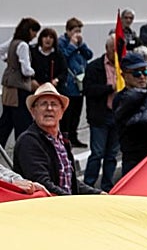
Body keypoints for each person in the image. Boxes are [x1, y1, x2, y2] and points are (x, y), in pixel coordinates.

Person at [14, 83, 102, 195]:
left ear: (61, 112)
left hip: (64, 205)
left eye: (54, 104)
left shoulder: (62, 140)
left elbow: (71, 182)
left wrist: (98, 194)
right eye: (43, 104)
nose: (49, 108)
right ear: (33, 112)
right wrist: (74, 202)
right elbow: (43, 184)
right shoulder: (28, 141)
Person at [82, 35, 122, 191]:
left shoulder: (122, 67)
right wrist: (109, 88)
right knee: (97, 153)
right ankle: (88, 184)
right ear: (107, 49)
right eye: (114, 50)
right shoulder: (94, 67)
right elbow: (88, 90)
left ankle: (107, 185)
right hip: (100, 115)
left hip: (117, 115)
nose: (116, 54)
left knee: (112, 155)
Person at [1, 16, 40, 146]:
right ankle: (22, 149)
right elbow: (26, 70)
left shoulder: (14, 41)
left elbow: (1, 50)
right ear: (29, 30)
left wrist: (9, 60)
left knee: (7, 120)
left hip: (8, 86)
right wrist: (34, 73)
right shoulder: (23, 45)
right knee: (22, 122)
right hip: (19, 88)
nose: (35, 36)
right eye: (34, 32)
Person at [58, 18, 92, 147]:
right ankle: (65, 137)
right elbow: (62, 58)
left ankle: (74, 136)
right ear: (68, 31)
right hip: (68, 83)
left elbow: (89, 55)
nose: (77, 34)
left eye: (79, 31)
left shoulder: (80, 43)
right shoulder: (62, 43)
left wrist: (81, 45)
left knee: (77, 113)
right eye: (75, 31)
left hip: (80, 83)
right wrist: (72, 46)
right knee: (68, 113)